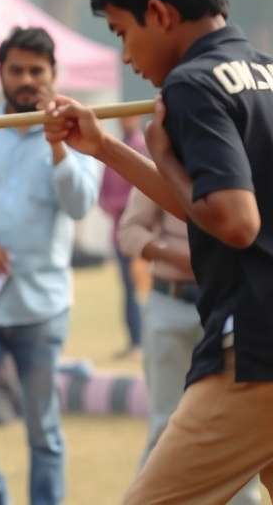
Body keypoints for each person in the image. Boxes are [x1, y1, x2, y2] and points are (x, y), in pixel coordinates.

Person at [42, 0, 273, 503]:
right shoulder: (264, 73)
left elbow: (236, 220)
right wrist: (108, 148)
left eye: (123, 32)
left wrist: (163, 152)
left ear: (160, 13)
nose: (126, 55)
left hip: (253, 352)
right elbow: (210, 207)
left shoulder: (193, 85)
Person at [0, 27, 99, 505]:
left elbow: (79, 206)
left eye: (37, 70)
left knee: (42, 430)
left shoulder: (78, 134)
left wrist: (57, 146)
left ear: (54, 75)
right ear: (1, 75)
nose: (27, 79)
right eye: (18, 70)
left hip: (42, 306)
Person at [117, 187, 261, 504]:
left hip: (229, 308)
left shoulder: (243, 159)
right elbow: (129, 232)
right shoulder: (167, 155)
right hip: (172, 301)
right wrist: (174, 254)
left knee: (238, 429)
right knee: (166, 424)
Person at [99, 115, 146, 359]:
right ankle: (134, 341)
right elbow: (103, 195)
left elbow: (147, 192)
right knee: (128, 291)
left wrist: (122, 206)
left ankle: (144, 342)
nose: (126, 121)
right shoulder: (112, 151)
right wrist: (114, 206)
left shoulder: (144, 149)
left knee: (144, 291)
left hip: (142, 238)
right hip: (119, 236)